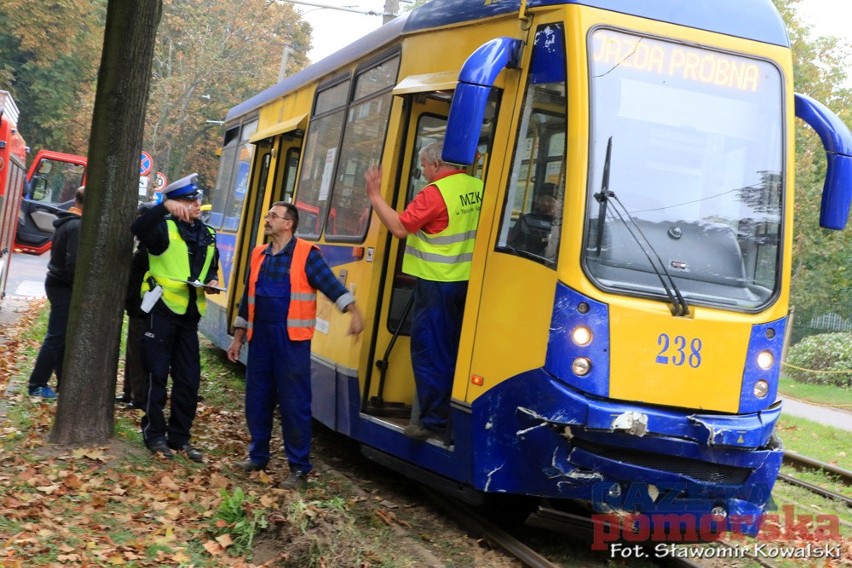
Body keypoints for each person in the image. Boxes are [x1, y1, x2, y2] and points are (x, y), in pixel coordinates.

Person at [227, 201, 364, 489]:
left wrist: (353, 312)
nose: (267, 219)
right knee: (257, 401)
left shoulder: (306, 254)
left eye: (273, 216)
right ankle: (258, 456)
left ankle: (299, 469)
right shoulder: (258, 255)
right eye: (267, 215)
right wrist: (238, 337)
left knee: (294, 405)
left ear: (288, 224)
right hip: (261, 339)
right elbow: (247, 298)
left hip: (291, 342)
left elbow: (330, 284)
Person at [364, 140, 483, 441]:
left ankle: (431, 421)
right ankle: (452, 416)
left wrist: (375, 196)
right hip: (469, 283)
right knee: (454, 350)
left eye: (423, 166)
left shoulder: (436, 193)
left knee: (430, 353)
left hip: (438, 283)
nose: (423, 171)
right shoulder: (477, 187)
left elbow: (400, 227)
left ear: (436, 164)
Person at [131, 173, 220, 462]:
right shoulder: (162, 228)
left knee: (188, 380)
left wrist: (211, 282)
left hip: (190, 317)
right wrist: (163, 207)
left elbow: (210, 269)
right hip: (161, 312)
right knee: (157, 375)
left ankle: (179, 438)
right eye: (189, 200)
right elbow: (137, 227)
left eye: (197, 199)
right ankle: (154, 434)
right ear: (176, 203)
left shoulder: (208, 235)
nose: (196, 205)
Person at [27, 186, 85, 399]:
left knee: (62, 335)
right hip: (63, 285)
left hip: (56, 282)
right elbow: (74, 262)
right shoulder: (77, 226)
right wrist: (78, 287)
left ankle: (63, 381)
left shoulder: (66, 221)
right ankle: (37, 383)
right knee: (57, 335)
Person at [117, 203, 154, 409]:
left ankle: (137, 396)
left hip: (141, 308)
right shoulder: (145, 250)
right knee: (133, 351)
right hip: (138, 307)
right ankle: (129, 392)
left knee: (137, 352)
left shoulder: (146, 252)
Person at [507, 183, 559, 257]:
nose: (546, 204)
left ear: (559, 204)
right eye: (543, 200)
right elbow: (511, 244)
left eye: (550, 201)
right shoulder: (525, 220)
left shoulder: (561, 226)